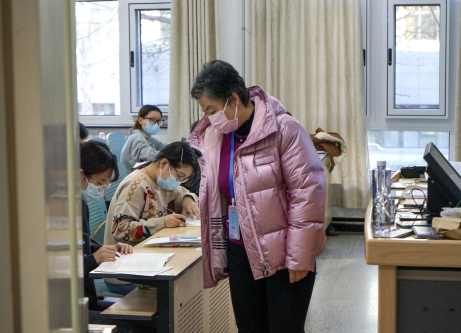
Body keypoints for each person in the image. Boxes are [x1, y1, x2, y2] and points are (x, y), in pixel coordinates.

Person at [188, 60, 327, 333]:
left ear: (235, 99)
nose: (210, 118)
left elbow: (307, 194)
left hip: (284, 254)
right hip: (241, 251)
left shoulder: (284, 129)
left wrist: (299, 257)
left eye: (212, 110)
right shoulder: (216, 137)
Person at [103, 141, 200, 294]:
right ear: (164, 163)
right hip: (123, 270)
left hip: (148, 261)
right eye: (179, 176)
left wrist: (188, 197)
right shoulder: (136, 184)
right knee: (181, 289)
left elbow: (182, 192)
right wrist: (162, 222)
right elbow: (120, 230)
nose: (179, 182)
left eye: (183, 179)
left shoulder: (162, 182)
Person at [80, 141, 134, 317]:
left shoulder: (81, 205)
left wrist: (107, 250)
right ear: (81, 174)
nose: (102, 189)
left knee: (148, 319)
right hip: (70, 308)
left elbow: (82, 247)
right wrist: (95, 259)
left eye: (106, 184)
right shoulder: (60, 212)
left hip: (87, 300)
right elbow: (60, 273)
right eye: (100, 182)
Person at [120, 105, 166, 172]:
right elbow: (150, 155)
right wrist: (171, 154)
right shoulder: (137, 136)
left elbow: (163, 146)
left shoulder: (148, 137)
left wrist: (178, 146)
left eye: (158, 121)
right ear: (140, 120)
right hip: (132, 179)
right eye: (152, 120)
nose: (156, 124)